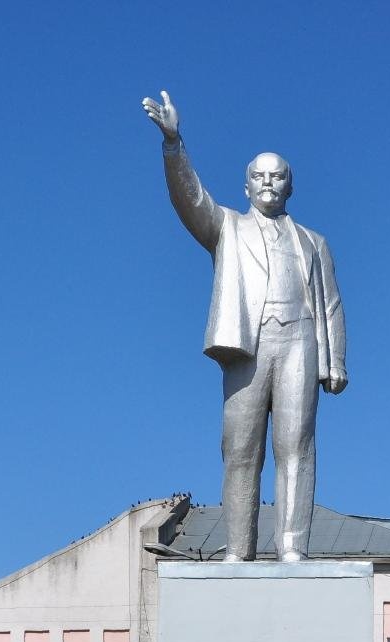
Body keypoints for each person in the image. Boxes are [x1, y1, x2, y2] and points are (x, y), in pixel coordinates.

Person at [141, 90, 347, 563]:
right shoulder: (227, 228)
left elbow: (331, 303)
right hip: (248, 345)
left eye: (278, 177)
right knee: (241, 450)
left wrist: (335, 360)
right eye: (259, 176)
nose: (268, 183)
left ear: (290, 187)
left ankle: (293, 547)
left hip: (300, 340)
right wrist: (174, 144)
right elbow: (189, 199)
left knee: (296, 447)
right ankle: (239, 549)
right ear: (246, 186)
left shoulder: (314, 243)